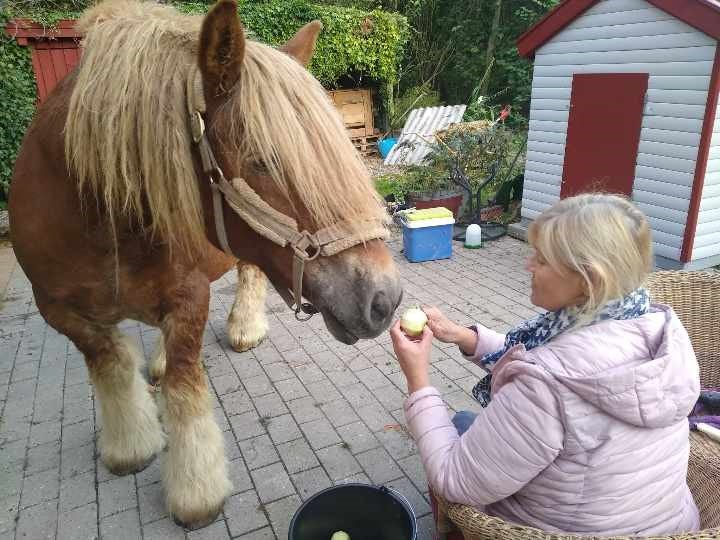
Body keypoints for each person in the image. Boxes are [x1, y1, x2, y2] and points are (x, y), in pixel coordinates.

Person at [390, 193, 701, 536]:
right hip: (667, 526)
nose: (527, 266)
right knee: (469, 424)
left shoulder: (543, 386)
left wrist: (417, 380)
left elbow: (454, 478)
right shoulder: (656, 328)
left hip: (555, 531)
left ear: (590, 279)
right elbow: (557, 361)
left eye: (541, 259)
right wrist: (466, 337)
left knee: (459, 425)